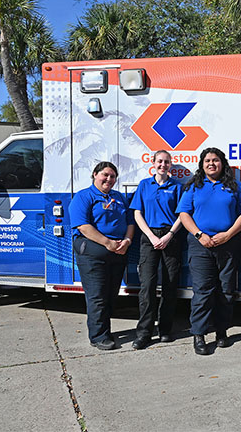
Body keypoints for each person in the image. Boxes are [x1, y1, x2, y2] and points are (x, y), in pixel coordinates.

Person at [177, 147, 241, 355]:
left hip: (228, 245)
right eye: (207, 160)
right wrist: (200, 235)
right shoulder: (193, 186)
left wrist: (227, 235)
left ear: (223, 164)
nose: (212, 163)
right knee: (202, 291)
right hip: (200, 245)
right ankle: (199, 335)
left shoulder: (234, 186)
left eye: (216, 160)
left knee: (226, 291)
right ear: (202, 164)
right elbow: (184, 214)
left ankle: (222, 332)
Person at [69, 161, 134, 350]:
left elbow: (130, 222)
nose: (108, 179)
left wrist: (127, 242)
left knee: (110, 294)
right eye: (105, 175)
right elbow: (82, 225)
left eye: (112, 176)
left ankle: (105, 330)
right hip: (93, 253)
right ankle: (98, 337)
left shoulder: (119, 197)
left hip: (117, 252)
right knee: (97, 295)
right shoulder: (84, 196)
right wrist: (108, 243)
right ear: (95, 174)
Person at [130, 150, 184, 350]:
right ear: (153, 163)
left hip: (171, 236)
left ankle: (165, 330)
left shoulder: (177, 187)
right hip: (149, 237)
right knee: (147, 287)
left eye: (167, 162)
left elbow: (182, 214)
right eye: (160, 161)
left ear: (171, 165)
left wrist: (169, 235)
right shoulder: (145, 185)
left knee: (170, 286)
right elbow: (137, 213)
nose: (163, 165)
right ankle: (144, 333)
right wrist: (152, 237)